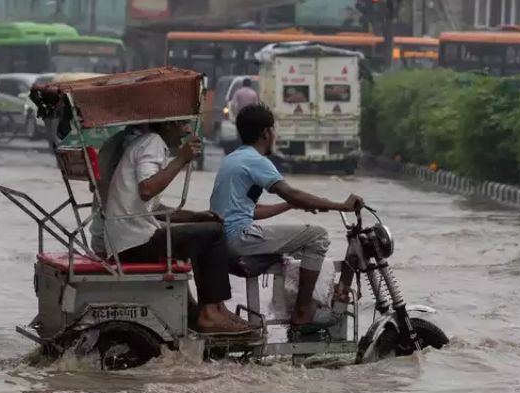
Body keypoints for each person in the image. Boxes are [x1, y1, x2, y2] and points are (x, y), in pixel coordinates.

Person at [210, 104, 363, 331]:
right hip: (239, 238)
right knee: (318, 236)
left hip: (224, 239)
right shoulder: (257, 160)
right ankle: (303, 310)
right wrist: (340, 205)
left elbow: (249, 210)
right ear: (266, 133)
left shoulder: (234, 159)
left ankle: (300, 304)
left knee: (305, 239)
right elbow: (292, 192)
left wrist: (288, 205)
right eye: (274, 131)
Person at [98, 120, 251, 334]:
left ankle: (214, 309)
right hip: (135, 243)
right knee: (214, 233)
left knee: (206, 230)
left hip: (129, 240)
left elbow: (154, 207)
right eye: (184, 124)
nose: (188, 130)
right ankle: (211, 313)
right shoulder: (152, 142)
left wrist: (196, 216)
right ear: (168, 125)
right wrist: (181, 159)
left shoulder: (146, 143)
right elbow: (147, 189)